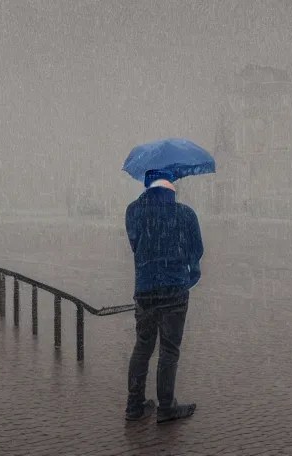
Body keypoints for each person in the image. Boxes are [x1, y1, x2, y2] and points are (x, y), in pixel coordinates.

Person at [124, 169, 202, 423]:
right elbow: (196, 252)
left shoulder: (134, 211)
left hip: (145, 289)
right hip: (175, 290)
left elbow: (135, 244)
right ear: (171, 188)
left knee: (143, 346)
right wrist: (187, 275)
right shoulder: (185, 214)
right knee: (169, 350)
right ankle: (166, 406)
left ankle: (134, 405)